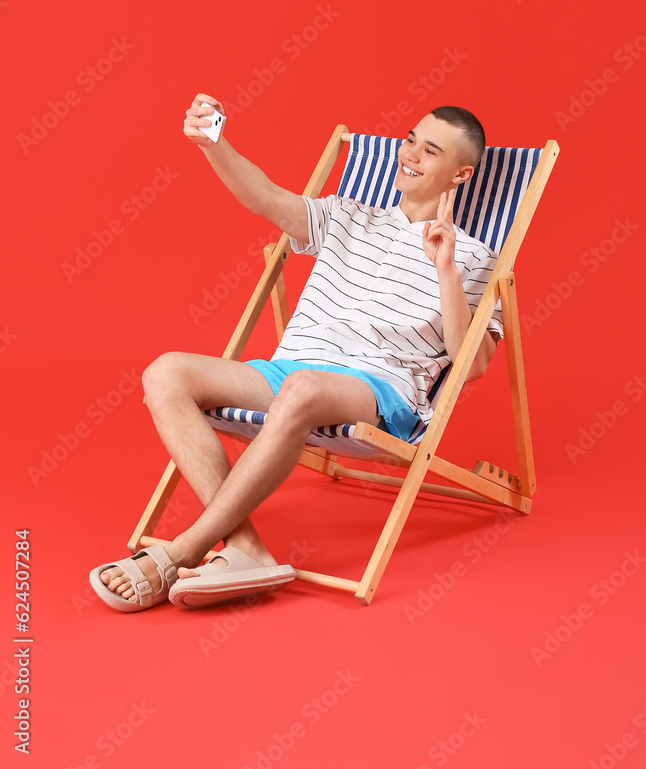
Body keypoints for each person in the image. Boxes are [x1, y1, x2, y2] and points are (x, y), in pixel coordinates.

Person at [89, 98, 503, 612]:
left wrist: (445, 270)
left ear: (461, 174)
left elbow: (475, 364)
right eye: (410, 139)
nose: (410, 154)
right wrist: (213, 143)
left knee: (301, 389)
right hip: (292, 373)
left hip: (379, 390)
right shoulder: (347, 215)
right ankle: (244, 548)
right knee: (165, 373)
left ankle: (181, 550)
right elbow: (264, 196)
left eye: (430, 150)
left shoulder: (473, 255)